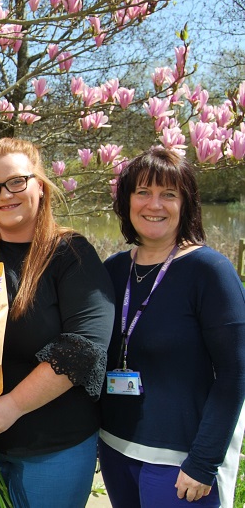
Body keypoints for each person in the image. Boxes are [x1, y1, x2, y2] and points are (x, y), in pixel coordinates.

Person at [0, 137, 115, 508]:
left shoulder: (72, 255)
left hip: (51, 445)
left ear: (41, 186)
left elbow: (83, 348)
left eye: (17, 182)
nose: (5, 195)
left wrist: (11, 407)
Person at [99, 146, 245, 508]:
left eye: (169, 194)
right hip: (115, 448)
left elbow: (235, 374)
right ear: (126, 201)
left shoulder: (209, 271)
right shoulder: (114, 269)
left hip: (180, 462)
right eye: (143, 192)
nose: (154, 205)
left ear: (186, 204)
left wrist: (204, 461)